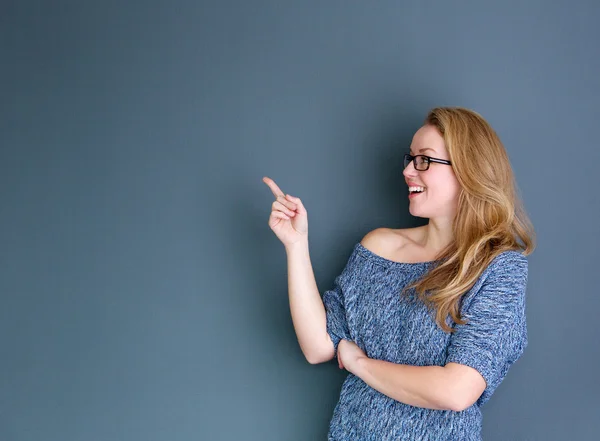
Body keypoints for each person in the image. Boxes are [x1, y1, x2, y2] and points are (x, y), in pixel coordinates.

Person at [262, 106, 536, 440]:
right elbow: (318, 346)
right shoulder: (378, 248)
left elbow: (456, 390)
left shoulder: (498, 267)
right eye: (409, 158)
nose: (408, 170)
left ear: (468, 169)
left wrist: (359, 364)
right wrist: (296, 245)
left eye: (424, 159)